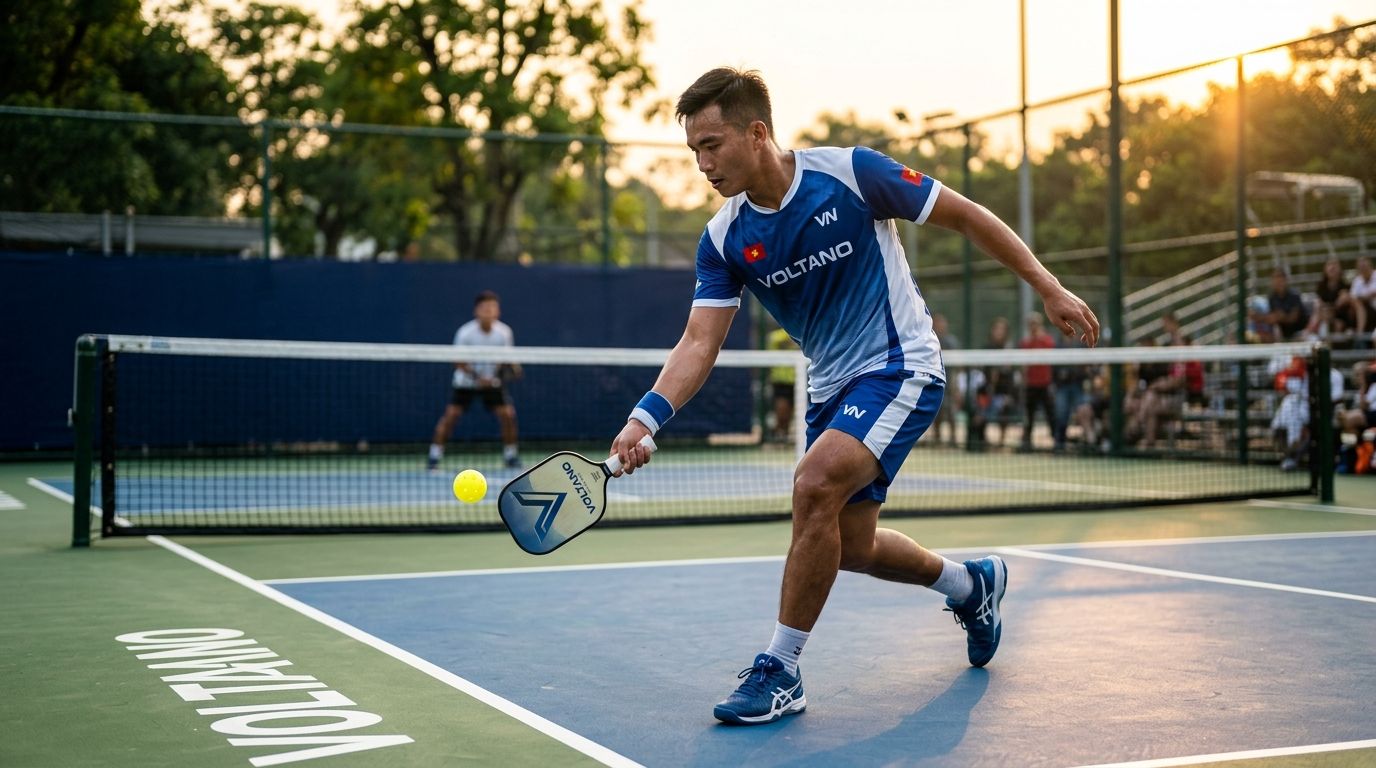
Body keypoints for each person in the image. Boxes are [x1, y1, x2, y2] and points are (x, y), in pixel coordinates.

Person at [607, 68, 1099, 725]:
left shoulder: (851, 174)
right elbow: (699, 342)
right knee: (852, 544)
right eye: (694, 149)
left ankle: (780, 670)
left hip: (900, 366)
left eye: (713, 144)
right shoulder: (724, 239)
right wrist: (647, 416)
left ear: (758, 133)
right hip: (830, 388)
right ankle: (970, 584)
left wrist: (1048, 285)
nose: (703, 162)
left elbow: (966, 215)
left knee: (812, 485)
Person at [428, 290, 522, 471]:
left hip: (493, 382)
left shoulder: (504, 333)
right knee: (451, 416)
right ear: (476, 311)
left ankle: (511, 456)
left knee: (508, 416)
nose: (488, 311)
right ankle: (434, 456)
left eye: (492, 308)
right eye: (484, 308)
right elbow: (458, 362)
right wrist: (479, 378)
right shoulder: (465, 333)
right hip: (466, 382)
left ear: (498, 312)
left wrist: (511, 369)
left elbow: (506, 358)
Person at [970, 316, 1017, 448]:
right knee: (978, 410)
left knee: (1004, 406)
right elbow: (982, 375)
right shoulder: (987, 348)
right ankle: (980, 441)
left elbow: (1011, 376)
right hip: (986, 393)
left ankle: (1001, 441)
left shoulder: (1009, 349)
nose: (998, 332)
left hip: (1003, 393)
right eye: (996, 329)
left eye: (1001, 329)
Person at [1018, 312, 1056, 451]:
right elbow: (1024, 365)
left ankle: (1056, 442)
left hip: (1045, 384)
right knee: (1029, 416)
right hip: (1031, 385)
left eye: (1035, 324)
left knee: (1050, 414)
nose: (1033, 327)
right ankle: (1027, 443)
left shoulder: (1047, 341)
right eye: (1030, 324)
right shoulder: (1025, 343)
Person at [930, 313, 962, 444]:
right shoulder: (930, 340)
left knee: (951, 412)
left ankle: (953, 439)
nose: (939, 326)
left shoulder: (951, 342)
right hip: (934, 382)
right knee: (936, 413)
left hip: (949, 384)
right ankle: (937, 438)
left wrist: (956, 387)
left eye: (941, 323)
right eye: (937, 323)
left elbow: (958, 367)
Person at [767, 326, 800, 442]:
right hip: (780, 382)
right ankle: (776, 435)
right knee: (782, 412)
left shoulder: (802, 332)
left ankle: (784, 437)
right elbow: (774, 341)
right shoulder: (777, 336)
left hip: (797, 382)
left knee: (792, 415)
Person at [1262, 268, 1309, 341]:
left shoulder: (1294, 295)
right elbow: (1272, 318)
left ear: (1285, 280)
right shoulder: (1272, 297)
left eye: (1280, 279)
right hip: (1282, 334)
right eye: (1275, 279)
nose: (1278, 282)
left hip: (1300, 332)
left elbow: (1293, 318)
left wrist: (1281, 317)